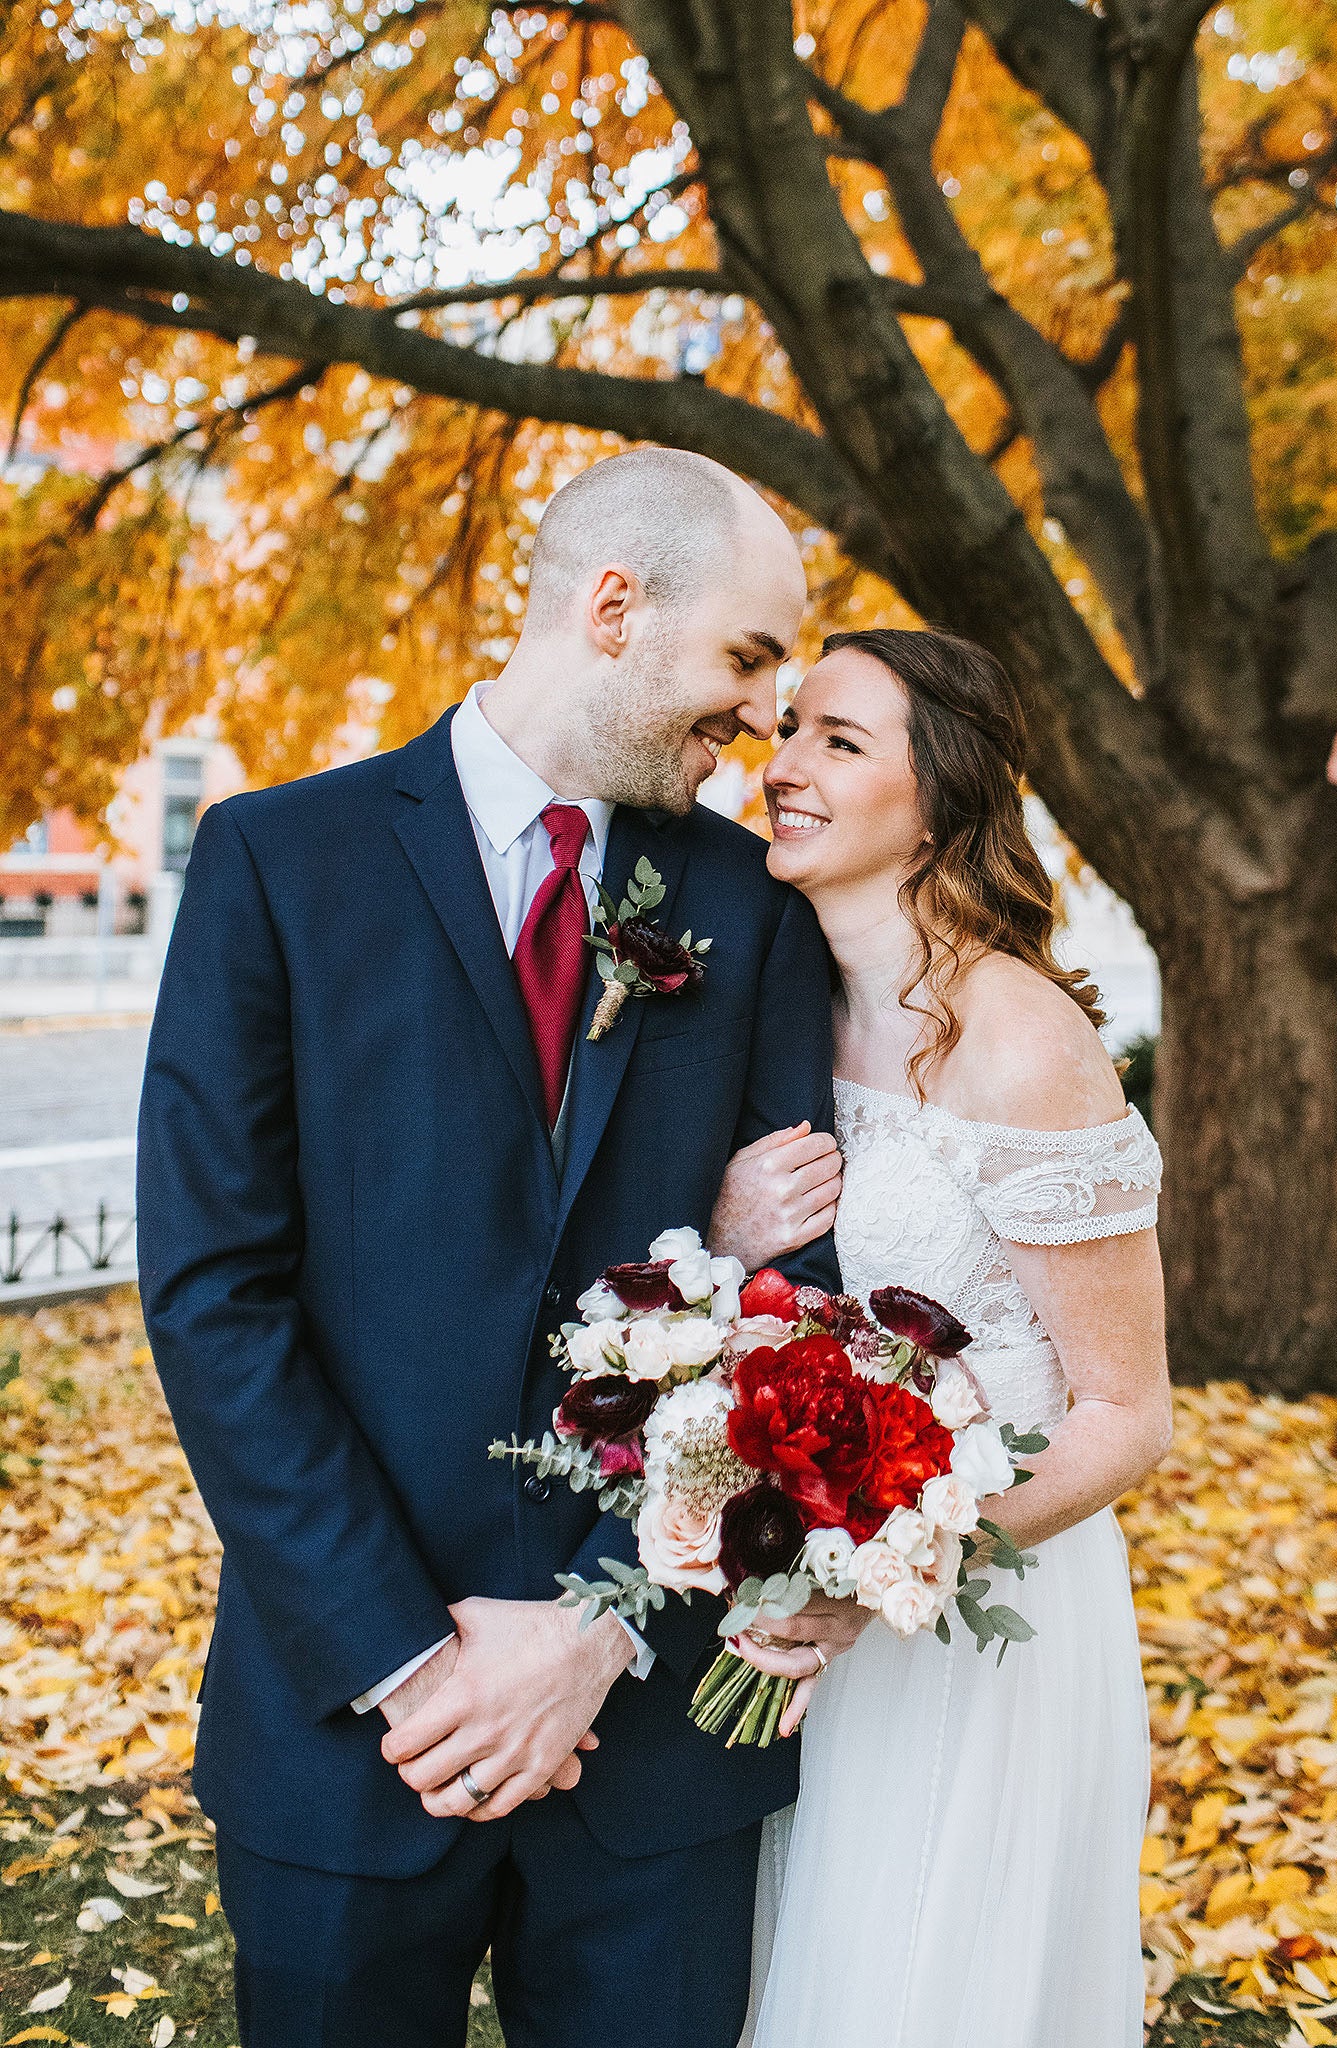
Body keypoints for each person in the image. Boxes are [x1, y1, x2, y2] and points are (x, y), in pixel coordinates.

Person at [136, 448, 845, 2048]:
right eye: (744, 658)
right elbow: (212, 1293)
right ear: (613, 607)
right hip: (353, 1715)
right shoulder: (276, 862)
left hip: (652, 1738)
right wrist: (406, 1661)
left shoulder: (748, 902)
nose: (757, 716)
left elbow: (796, 1301)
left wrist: (603, 1622)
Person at [709, 628, 1171, 2047]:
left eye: (838, 742)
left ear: (942, 796)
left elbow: (1124, 1416)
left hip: (979, 1626)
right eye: (787, 727)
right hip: (820, 1610)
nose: (781, 766)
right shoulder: (788, 996)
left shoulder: (1020, 1042)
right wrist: (725, 1241)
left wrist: (892, 1572)